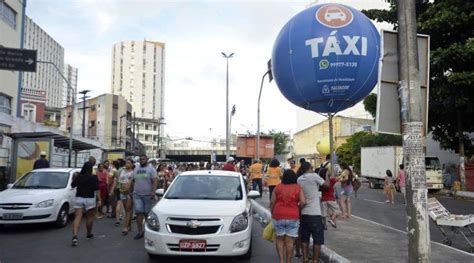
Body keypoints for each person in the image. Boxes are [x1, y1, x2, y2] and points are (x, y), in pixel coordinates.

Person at [270, 170, 306, 263]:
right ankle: (288, 261)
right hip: (293, 216)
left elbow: (272, 202)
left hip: (278, 215)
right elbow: (303, 202)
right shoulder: (298, 188)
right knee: (290, 242)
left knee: (279, 240)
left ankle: (281, 261)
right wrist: (297, 208)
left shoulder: (277, 187)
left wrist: (272, 213)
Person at [297, 161, 329, 263]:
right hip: (315, 213)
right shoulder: (314, 176)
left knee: (304, 238)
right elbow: (327, 185)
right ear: (310, 168)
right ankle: (315, 260)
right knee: (317, 240)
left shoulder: (299, 179)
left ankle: (305, 258)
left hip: (304, 213)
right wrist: (327, 175)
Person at [71, 157, 99, 247]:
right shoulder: (94, 177)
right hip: (90, 199)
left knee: (77, 217)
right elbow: (97, 189)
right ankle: (88, 233)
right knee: (89, 217)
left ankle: (75, 236)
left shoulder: (79, 176)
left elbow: (72, 185)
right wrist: (100, 199)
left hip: (79, 198)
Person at [131, 155, 158, 240]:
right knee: (139, 213)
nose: (142, 160)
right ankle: (140, 232)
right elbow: (133, 181)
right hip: (137, 195)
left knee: (147, 214)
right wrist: (131, 191)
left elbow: (155, 181)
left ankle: (148, 231)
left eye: (143, 159)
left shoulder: (151, 169)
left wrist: (153, 192)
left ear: (147, 160)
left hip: (147, 195)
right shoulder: (136, 169)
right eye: (140, 159)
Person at [112, 158, 135, 235]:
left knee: (128, 209)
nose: (127, 164)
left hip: (130, 193)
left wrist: (130, 191)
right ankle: (129, 225)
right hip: (122, 192)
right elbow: (119, 181)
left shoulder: (133, 172)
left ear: (132, 164)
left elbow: (133, 183)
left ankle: (125, 227)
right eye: (126, 163)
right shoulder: (122, 171)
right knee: (127, 209)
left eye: (129, 163)